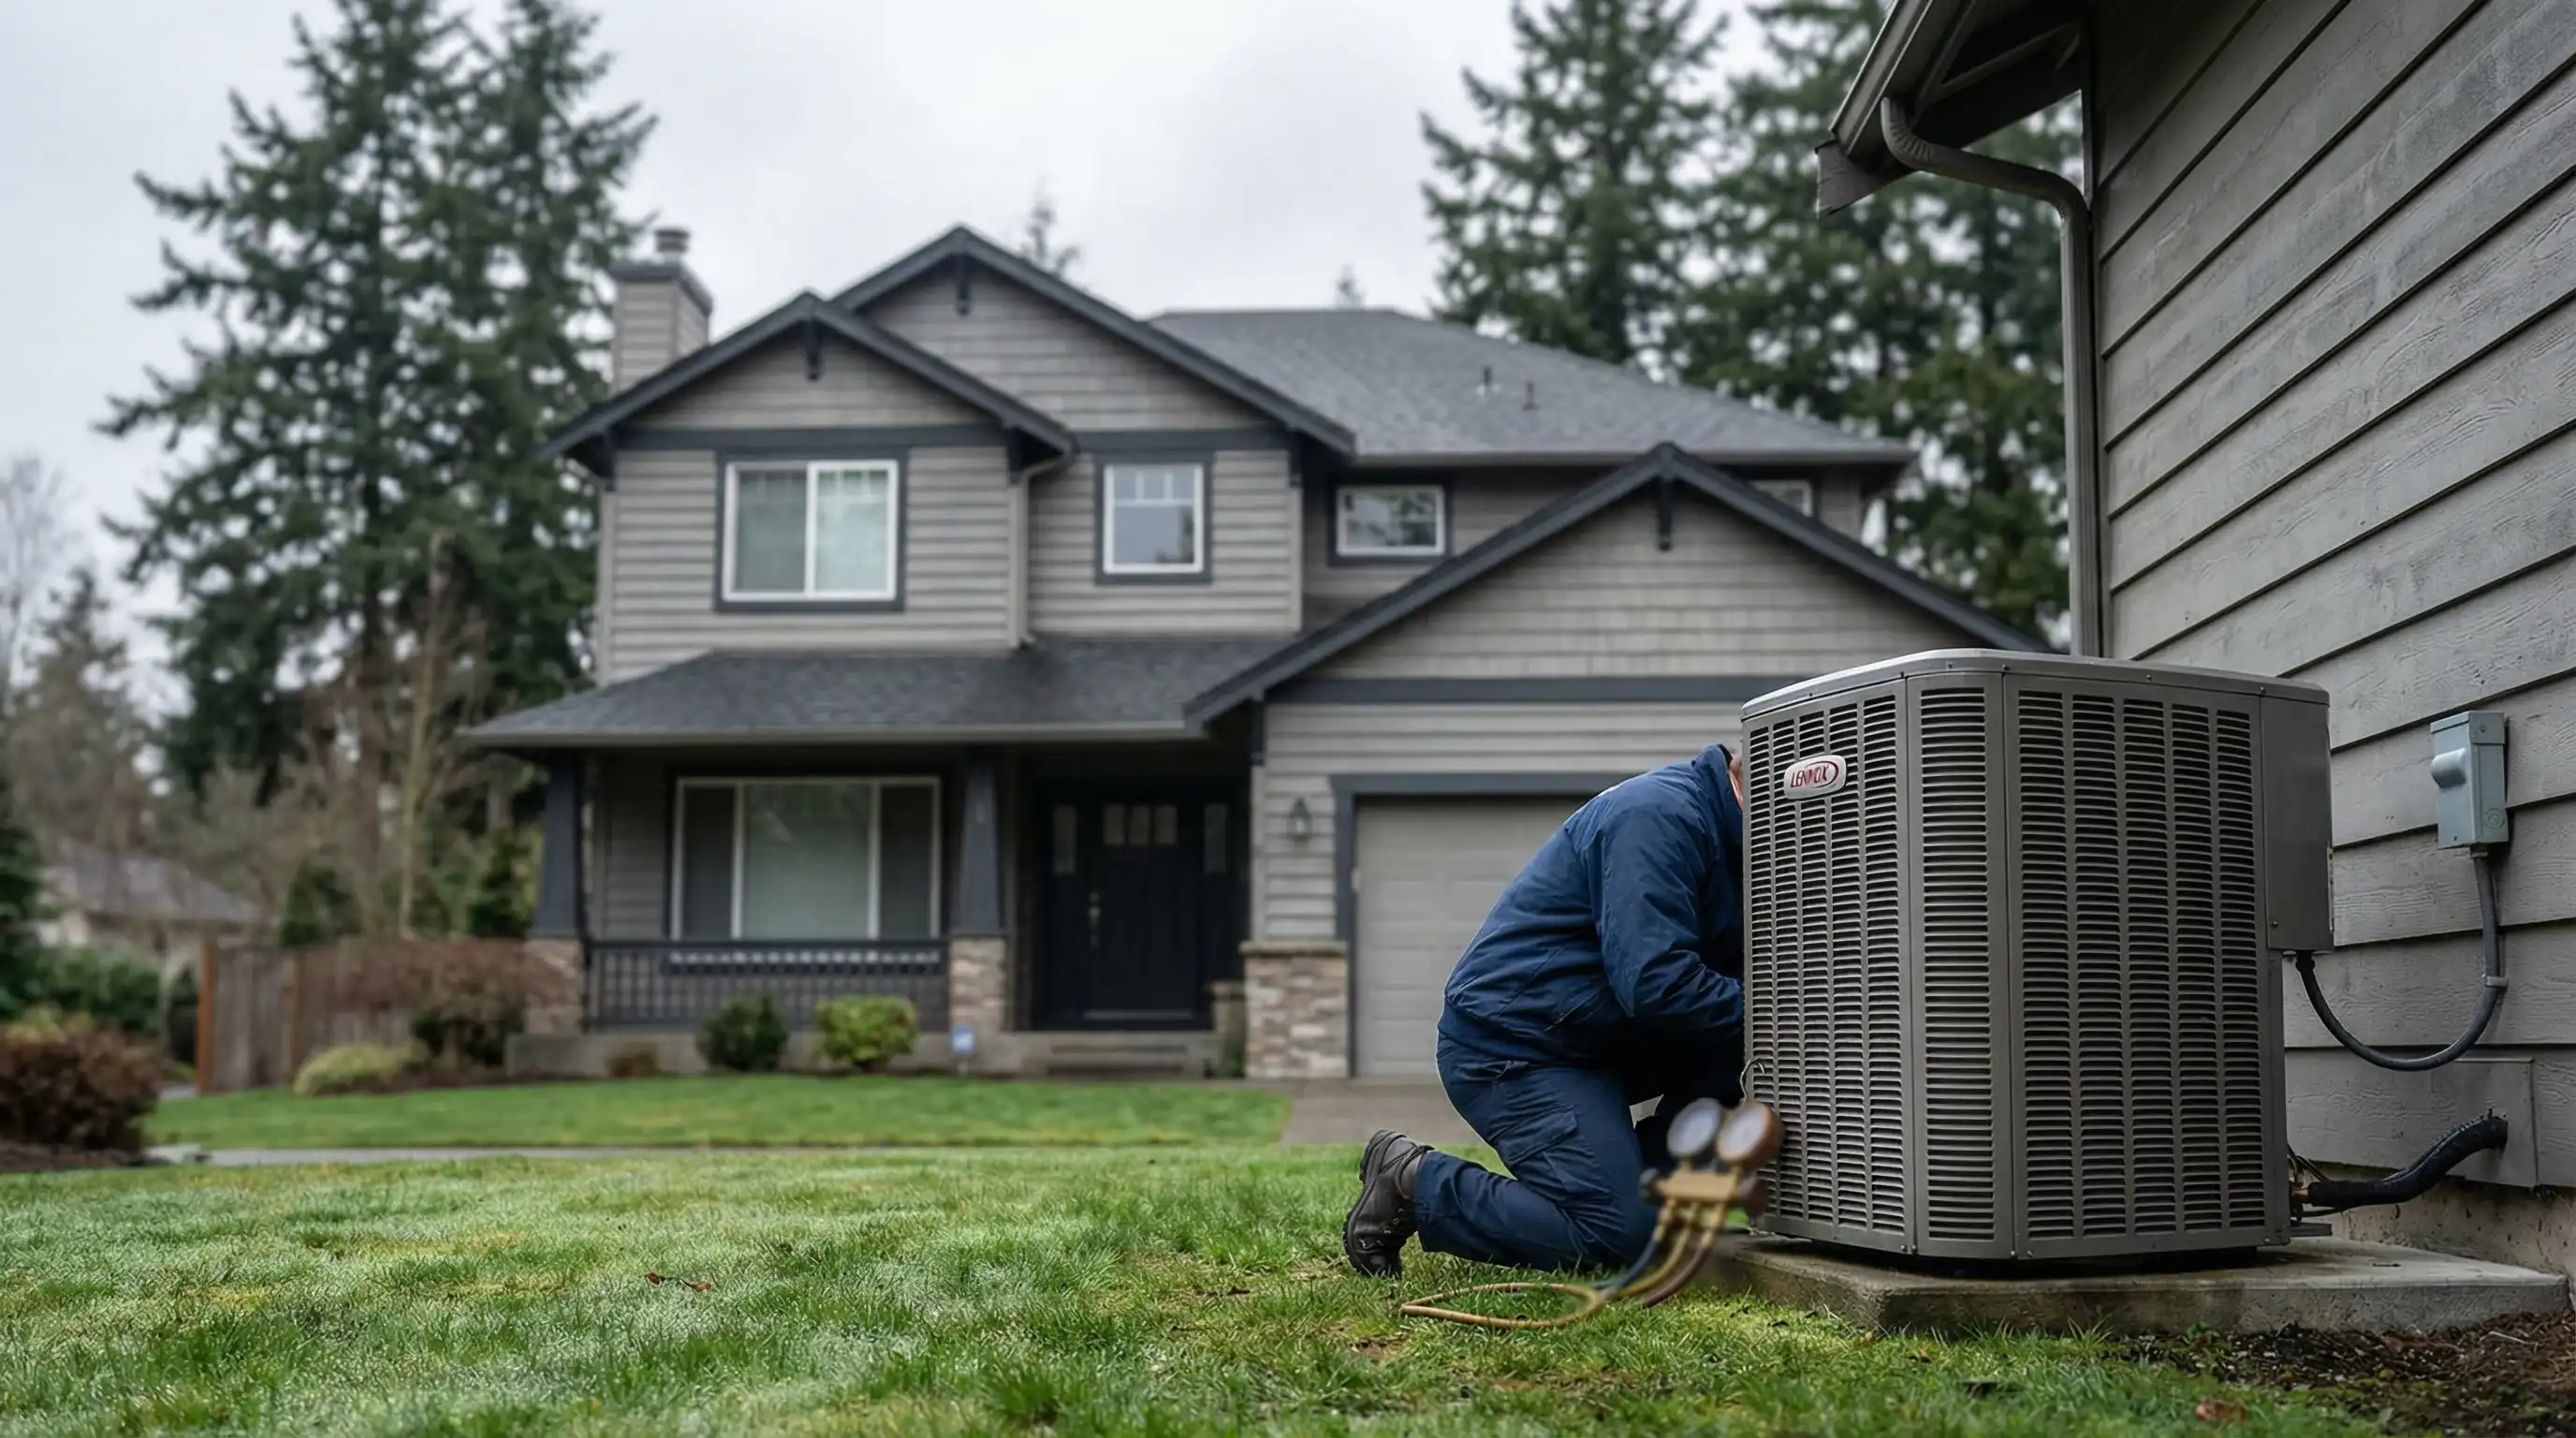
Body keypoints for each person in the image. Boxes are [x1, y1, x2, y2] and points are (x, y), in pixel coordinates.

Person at [1342, 742, 1747, 1277]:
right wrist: (1805, 1011)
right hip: (1514, 1047)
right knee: (1618, 1235)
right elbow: (1658, 985)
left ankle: (1656, 1197)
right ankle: (1416, 1182)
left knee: (1742, 1051)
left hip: (1601, 1041)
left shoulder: (1750, 844)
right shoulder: (1657, 816)